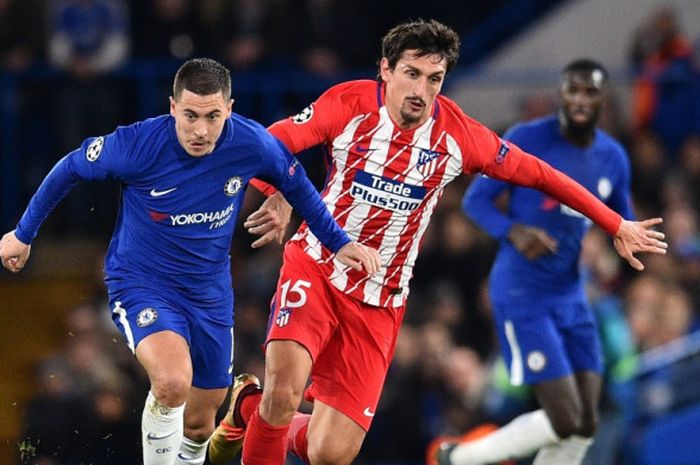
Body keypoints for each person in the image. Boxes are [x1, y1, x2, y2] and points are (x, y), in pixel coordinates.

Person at [207, 21, 667, 465]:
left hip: (380, 299)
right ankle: (266, 408)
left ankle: (248, 410)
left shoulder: (458, 135)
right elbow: (271, 143)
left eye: (435, 79)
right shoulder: (347, 104)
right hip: (317, 267)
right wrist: (279, 194)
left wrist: (614, 223)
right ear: (385, 70)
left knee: (331, 452)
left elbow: (539, 173)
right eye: (411, 74)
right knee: (284, 393)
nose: (421, 91)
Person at [0, 57, 380, 465]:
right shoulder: (138, 144)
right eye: (191, 116)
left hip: (209, 293)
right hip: (142, 283)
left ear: (229, 109)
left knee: (200, 422)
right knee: (172, 381)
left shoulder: (251, 143)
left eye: (213, 116)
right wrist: (22, 234)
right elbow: (70, 167)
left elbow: (298, 185)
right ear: (172, 107)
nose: (201, 130)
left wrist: (339, 243)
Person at [426, 59, 636, 465]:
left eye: (589, 92)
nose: (579, 99)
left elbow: (622, 220)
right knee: (564, 416)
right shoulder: (525, 139)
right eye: (572, 90)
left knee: (585, 423)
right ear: (561, 94)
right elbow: (475, 202)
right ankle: (459, 458)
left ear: (603, 99)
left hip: (571, 293)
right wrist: (514, 231)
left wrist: (623, 242)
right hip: (522, 292)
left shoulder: (613, 158)